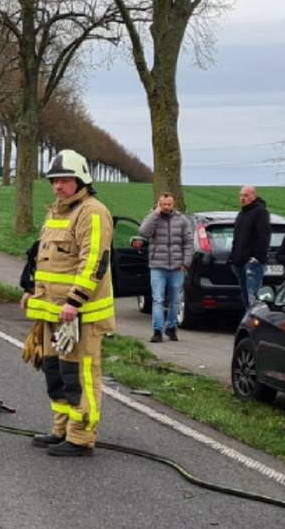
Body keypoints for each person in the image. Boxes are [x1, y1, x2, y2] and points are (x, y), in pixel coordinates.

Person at [24, 150, 115, 457]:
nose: (58, 186)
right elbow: (45, 258)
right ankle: (61, 429)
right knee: (56, 371)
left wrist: (74, 302)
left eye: (64, 180)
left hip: (79, 315)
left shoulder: (92, 212)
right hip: (54, 312)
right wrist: (32, 291)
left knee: (80, 374)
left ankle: (81, 437)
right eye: (54, 181)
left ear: (81, 180)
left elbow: (93, 263)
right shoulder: (56, 213)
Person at [133, 191, 192, 343]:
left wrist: (186, 263)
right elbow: (143, 232)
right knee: (158, 299)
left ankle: (171, 327)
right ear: (159, 204)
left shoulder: (182, 220)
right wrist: (155, 214)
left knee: (176, 300)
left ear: (173, 204)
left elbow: (188, 243)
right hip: (157, 266)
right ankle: (157, 330)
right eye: (163, 204)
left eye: (169, 204)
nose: (166, 207)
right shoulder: (153, 218)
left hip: (177, 267)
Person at [229, 184, 274, 310]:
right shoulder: (241, 214)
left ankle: (254, 325)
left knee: (253, 297)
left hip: (253, 264)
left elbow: (264, 237)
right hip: (239, 262)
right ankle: (248, 323)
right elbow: (237, 238)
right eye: (241, 195)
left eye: (246, 195)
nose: (242, 198)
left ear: (253, 196)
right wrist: (233, 258)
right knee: (245, 298)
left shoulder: (261, 212)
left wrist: (255, 258)